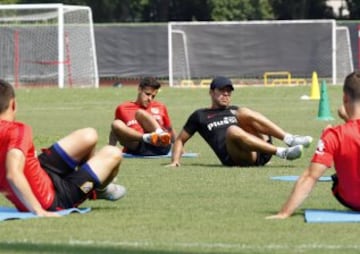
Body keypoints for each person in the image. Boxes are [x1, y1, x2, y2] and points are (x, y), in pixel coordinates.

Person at [0, 79, 126, 217]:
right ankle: (97, 189)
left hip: (41, 172)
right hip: (54, 200)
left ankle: (91, 184)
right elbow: (13, 174)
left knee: (89, 135)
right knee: (113, 153)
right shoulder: (18, 130)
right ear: (13, 104)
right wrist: (38, 210)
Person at [267, 71, 360, 219]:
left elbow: (310, 177)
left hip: (351, 200)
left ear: (345, 97)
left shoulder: (333, 135)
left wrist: (284, 212)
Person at [168, 76, 313, 167]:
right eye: (222, 90)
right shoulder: (200, 115)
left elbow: (257, 124)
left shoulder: (234, 110)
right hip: (236, 156)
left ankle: (289, 138)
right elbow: (180, 140)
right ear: (211, 92)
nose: (226, 94)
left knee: (243, 111)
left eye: (229, 91)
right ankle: (283, 153)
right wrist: (175, 161)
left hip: (259, 150)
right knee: (232, 130)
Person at [109, 77, 176, 156]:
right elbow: (115, 130)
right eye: (147, 94)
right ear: (139, 89)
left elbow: (170, 128)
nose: (150, 99)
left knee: (140, 113)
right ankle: (147, 137)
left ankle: (160, 133)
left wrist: (179, 146)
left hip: (160, 145)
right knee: (116, 123)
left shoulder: (160, 106)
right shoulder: (122, 108)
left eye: (153, 96)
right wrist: (110, 148)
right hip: (137, 146)